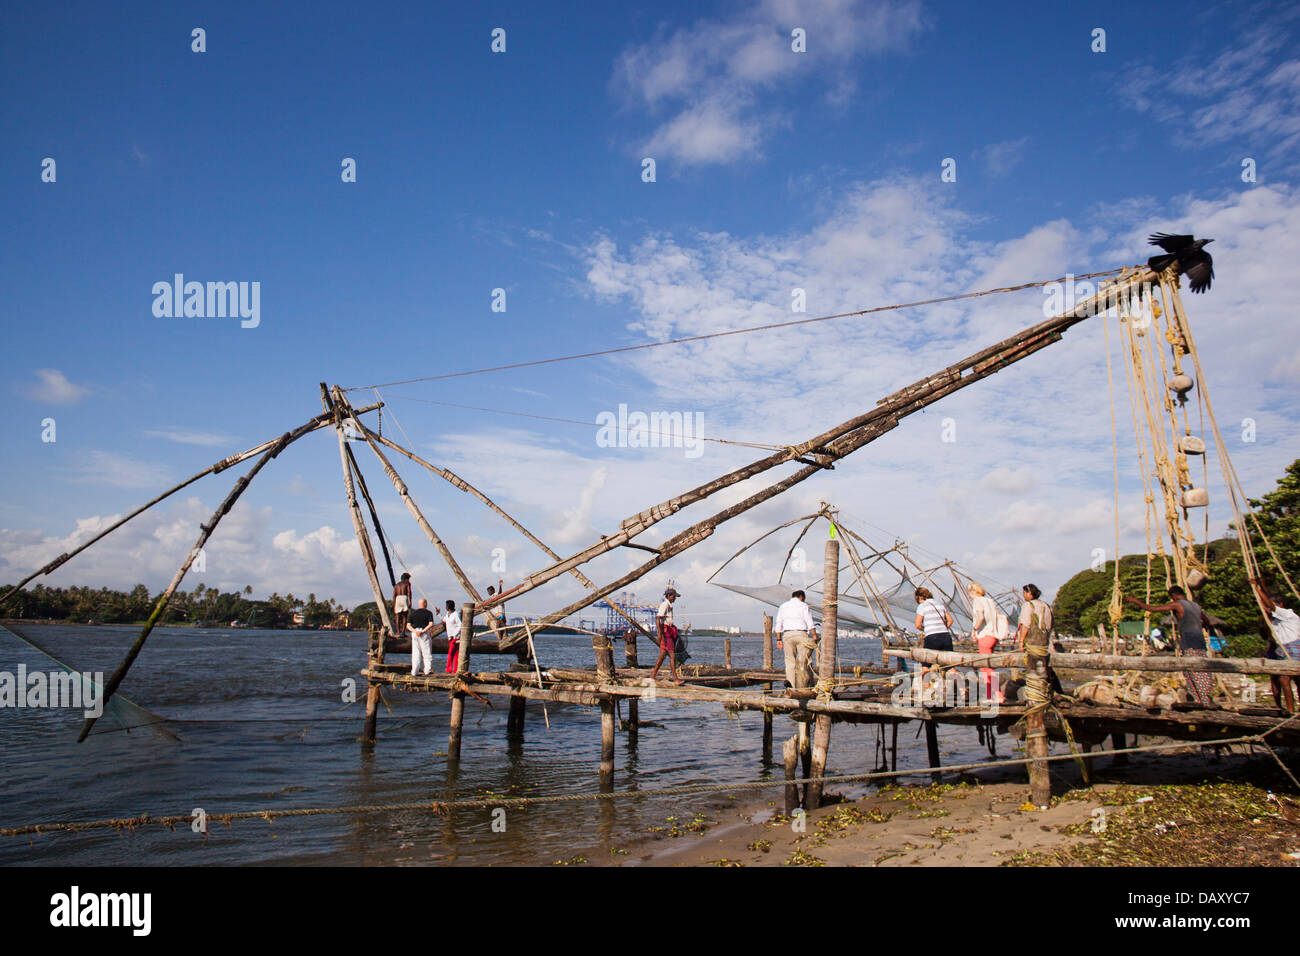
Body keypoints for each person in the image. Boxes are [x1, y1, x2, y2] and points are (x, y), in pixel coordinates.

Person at [1125, 585, 1213, 706]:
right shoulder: (1196, 606)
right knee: (1198, 669)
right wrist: (1204, 626)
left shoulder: (1177, 604)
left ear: (1174, 596)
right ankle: (1201, 700)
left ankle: (1202, 701)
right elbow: (1206, 620)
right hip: (1199, 642)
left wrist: (1135, 601)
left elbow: (1152, 609)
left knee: (1194, 671)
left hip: (1189, 642)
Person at [1252, 580, 1300, 713]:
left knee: (1290, 679)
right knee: (1280, 679)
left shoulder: (1289, 614)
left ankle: (1291, 711)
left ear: (1281, 605)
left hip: (1293, 648)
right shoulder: (1274, 621)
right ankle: (1284, 709)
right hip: (1281, 650)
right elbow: (1265, 635)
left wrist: (1257, 589)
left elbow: (1269, 604)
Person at [774, 589, 819, 690]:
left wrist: (778, 640)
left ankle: (791, 688)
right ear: (801, 597)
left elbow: (778, 624)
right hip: (801, 633)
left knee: (790, 662)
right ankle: (807, 687)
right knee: (805, 660)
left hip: (787, 634)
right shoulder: (803, 606)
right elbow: (809, 621)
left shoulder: (783, 606)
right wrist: (814, 635)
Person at [914, 587, 955, 692]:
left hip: (932, 637)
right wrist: (943, 628)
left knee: (925, 666)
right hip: (946, 636)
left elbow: (918, 625)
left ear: (919, 597)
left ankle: (927, 691)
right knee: (950, 666)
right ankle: (962, 690)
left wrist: (926, 629)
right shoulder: (939, 605)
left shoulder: (922, 606)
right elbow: (950, 620)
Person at [967, 582, 1002, 702]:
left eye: (969, 593)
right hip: (993, 635)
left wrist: (973, 630)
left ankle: (998, 695)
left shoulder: (977, 601)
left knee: (986, 667)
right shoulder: (990, 601)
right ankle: (989, 696)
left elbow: (981, 617)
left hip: (984, 635)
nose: (969, 596)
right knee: (985, 666)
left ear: (973, 592)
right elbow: (997, 615)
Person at [650, 586, 682, 684]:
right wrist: (659, 634)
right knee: (672, 655)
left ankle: (652, 676)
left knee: (662, 655)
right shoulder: (665, 605)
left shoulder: (669, 605)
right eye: (674, 596)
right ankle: (676, 679)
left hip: (668, 630)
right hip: (666, 631)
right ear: (669, 596)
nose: (675, 598)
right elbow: (658, 618)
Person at [407, 598, 436, 676]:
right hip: (424, 633)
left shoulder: (413, 613)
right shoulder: (429, 613)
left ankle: (414, 671)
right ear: (425, 604)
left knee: (416, 653)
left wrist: (415, 631)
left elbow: (408, 625)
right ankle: (427, 670)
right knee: (426, 653)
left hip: (415, 633)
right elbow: (431, 624)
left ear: (419, 604)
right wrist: (423, 631)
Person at [443, 599, 463, 673]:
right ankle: (455, 670)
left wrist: (454, 635)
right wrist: (438, 614)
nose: (445, 607)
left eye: (446, 605)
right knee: (455, 654)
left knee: (450, 653)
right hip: (450, 638)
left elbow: (460, 625)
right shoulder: (448, 615)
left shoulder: (456, 614)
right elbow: (444, 619)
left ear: (448, 606)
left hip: (454, 638)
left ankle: (448, 670)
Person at [393, 572, 412, 639]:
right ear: (406, 578)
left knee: (397, 617)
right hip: (404, 597)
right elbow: (409, 592)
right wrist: (410, 601)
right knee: (405, 616)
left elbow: (394, 595)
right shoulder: (407, 583)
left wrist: (394, 604)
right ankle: (403, 633)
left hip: (398, 598)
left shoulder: (397, 585)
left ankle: (398, 633)